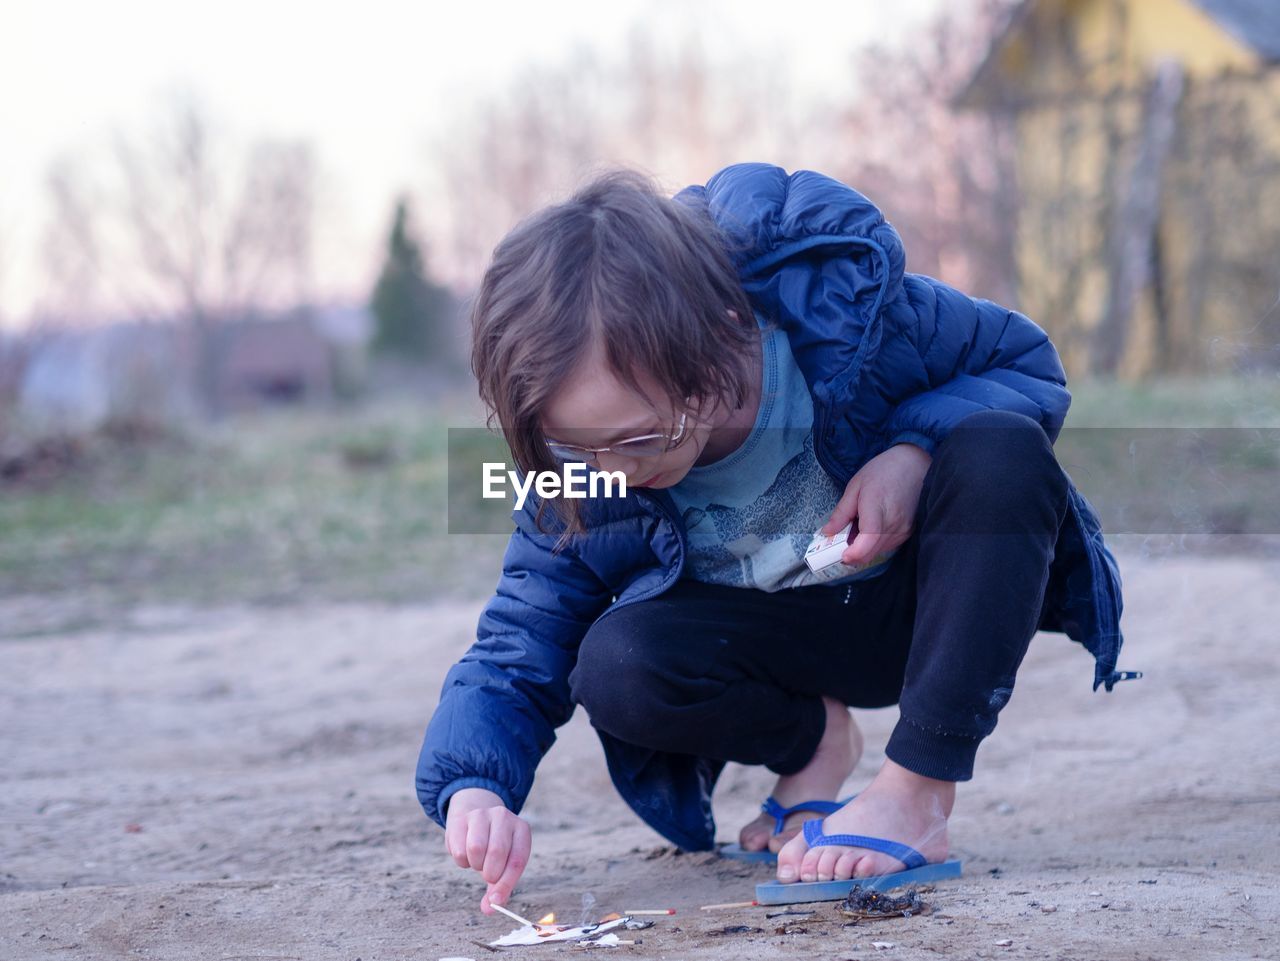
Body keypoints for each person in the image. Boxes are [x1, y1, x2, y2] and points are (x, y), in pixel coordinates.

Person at [416, 163, 1129, 912]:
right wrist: (474, 785)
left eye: (639, 439)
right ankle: (817, 741)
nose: (611, 473)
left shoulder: (843, 318)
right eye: (575, 449)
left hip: (913, 609)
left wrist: (915, 451)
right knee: (617, 663)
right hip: (772, 645)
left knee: (1002, 453)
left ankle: (916, 792)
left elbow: (1025, 364)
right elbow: (520, 635)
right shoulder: (587, 474)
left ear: (717, 341)